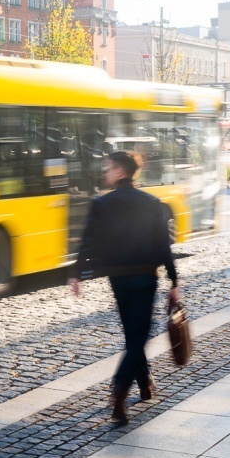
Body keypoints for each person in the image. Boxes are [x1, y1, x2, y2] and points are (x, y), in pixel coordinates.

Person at [70, 150, 181, 426]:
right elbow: (163, 246)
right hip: (145, 277)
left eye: (108, 168)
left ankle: (144, 384)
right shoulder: (152, 203)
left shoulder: (101, 204)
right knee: (137, 337)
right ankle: (119, 390)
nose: (104, 172)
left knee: (133, 335)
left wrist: (76, 274)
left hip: (118, 279)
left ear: (120, 172)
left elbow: (88, 240)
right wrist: (174, 280)